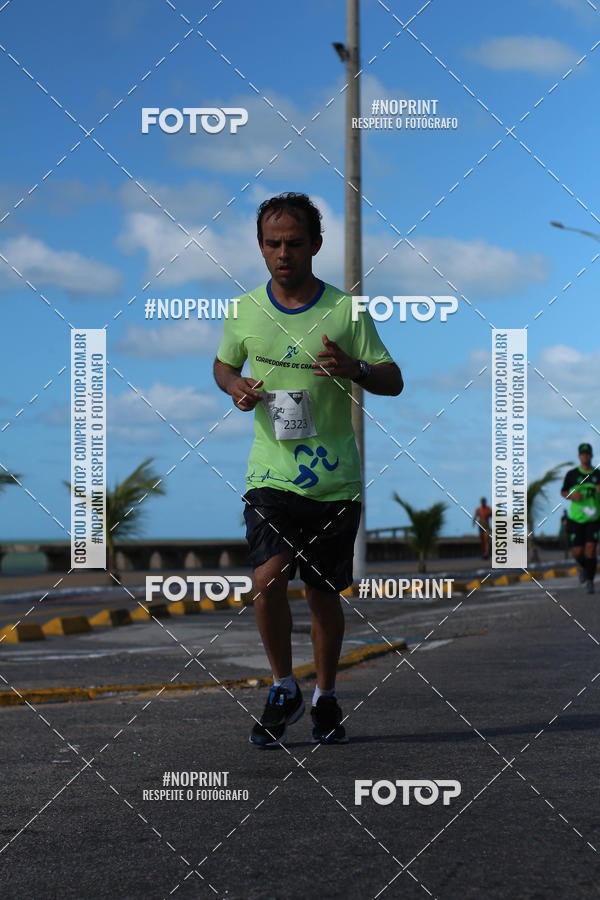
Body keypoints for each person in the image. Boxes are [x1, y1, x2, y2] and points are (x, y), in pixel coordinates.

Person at [213, 192, 403, 747]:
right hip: (270, 475)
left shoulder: (347, 312)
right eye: (273, 244)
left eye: (294, 243)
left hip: (334, 480)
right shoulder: (243, 310)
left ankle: (325, 696)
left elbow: (393, 379)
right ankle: (282, 687)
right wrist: (235, 386)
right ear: (259, 246)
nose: (283, 253)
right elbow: (223, 364)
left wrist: (355, 368)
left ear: (316, 245)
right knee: (267, 580)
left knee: (322, 595)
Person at [561, 443, 600, 594]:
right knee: (577, 552)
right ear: (579, 456)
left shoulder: (597, 474)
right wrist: (572, 496)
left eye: (587, 454)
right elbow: (563, 491)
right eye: (583, 454)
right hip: (576, 519)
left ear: (591, 455)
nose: (585, 456)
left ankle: (590, 581)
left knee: (590, 549)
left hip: (593, 518)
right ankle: (585, 568)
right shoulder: (572, 474)